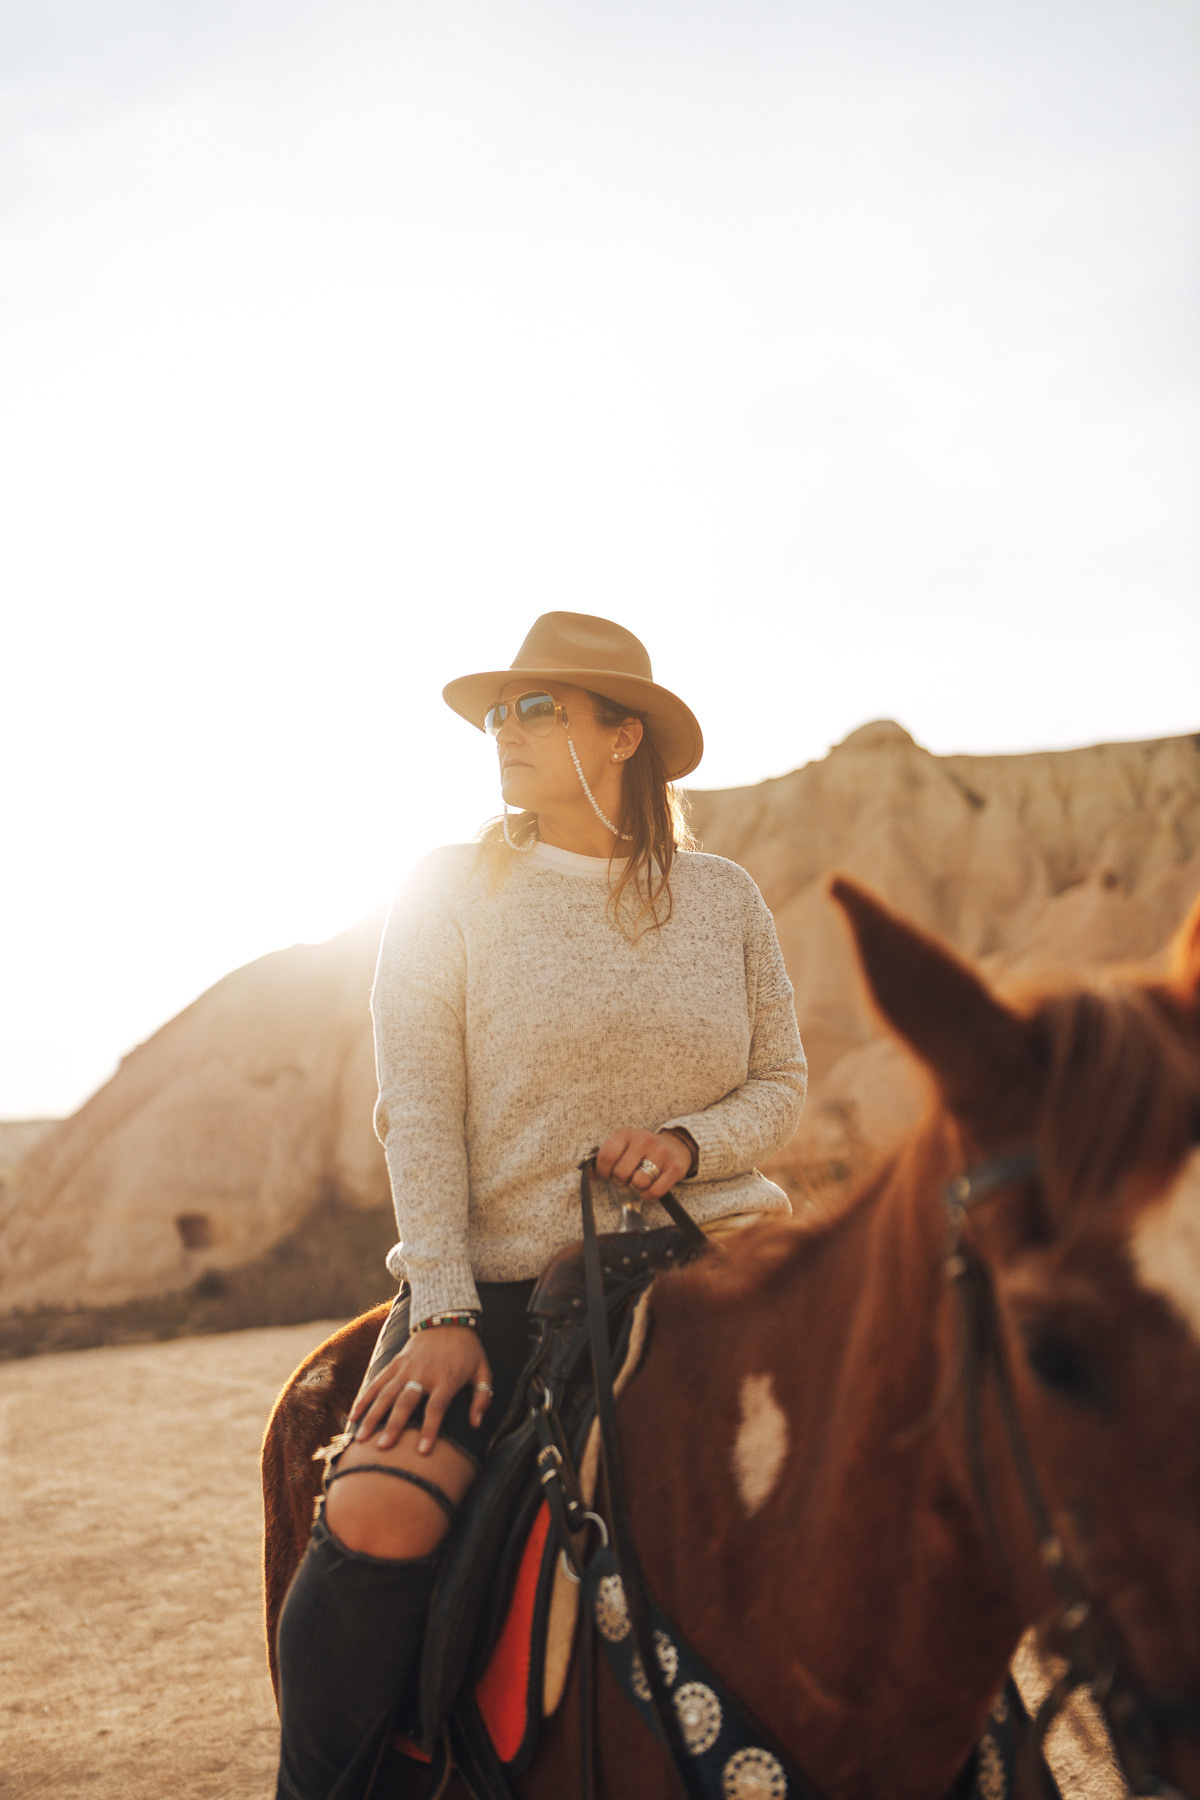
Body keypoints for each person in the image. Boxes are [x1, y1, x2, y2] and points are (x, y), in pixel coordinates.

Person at [274, 610, 808, 1800]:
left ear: (625, 737)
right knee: (381, 1516)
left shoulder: (725, 898)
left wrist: (686, 1141)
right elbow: (416, 1108)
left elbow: (782, 1085)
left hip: (721, 1262)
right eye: (497, 714)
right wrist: (448, 1310)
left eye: (538, 709)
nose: (502, 733)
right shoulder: (444, 891)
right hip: (508, 1284)